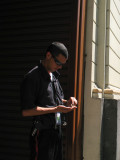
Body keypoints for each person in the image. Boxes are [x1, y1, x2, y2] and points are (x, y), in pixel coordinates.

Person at [20, 42, 77, 160]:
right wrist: (56, 109)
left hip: (56, 131)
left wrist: (67, 102)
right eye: (58, 63)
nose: (60, 67)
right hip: (42, 134)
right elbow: (26, 111)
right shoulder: (32, 77)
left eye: (62, 64)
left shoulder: (54, 76)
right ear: (48, 55)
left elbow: (54, 100)